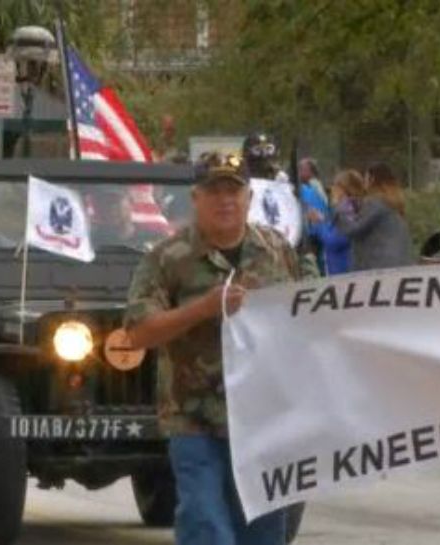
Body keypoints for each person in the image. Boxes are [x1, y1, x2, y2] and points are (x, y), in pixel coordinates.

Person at [124, 152, 318, 545]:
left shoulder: (278, 250)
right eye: (214, 190)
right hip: (194, 418)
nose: (225, 200)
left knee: (263, 532)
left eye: (234, 190)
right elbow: (138, 334)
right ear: (196, 197)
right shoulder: (168, 258)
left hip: (264, 419)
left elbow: (313, 312)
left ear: (249, 196)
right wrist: (203, 308)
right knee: (205, 522)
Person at [333, 163, 413, 271]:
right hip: (400, 264)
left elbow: (353, 230)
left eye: (365, 178)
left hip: (380, 267)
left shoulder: (376, 202)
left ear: (372, 179)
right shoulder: (394, 203)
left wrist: (340, 207)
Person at [306, 170, 360, 275]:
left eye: (335, 186)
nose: (332, 190)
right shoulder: (344, 209)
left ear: (343, 189)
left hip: (344, 272)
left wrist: (319, 224)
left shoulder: (349, 209)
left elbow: (335, 240)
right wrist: (321, 221)